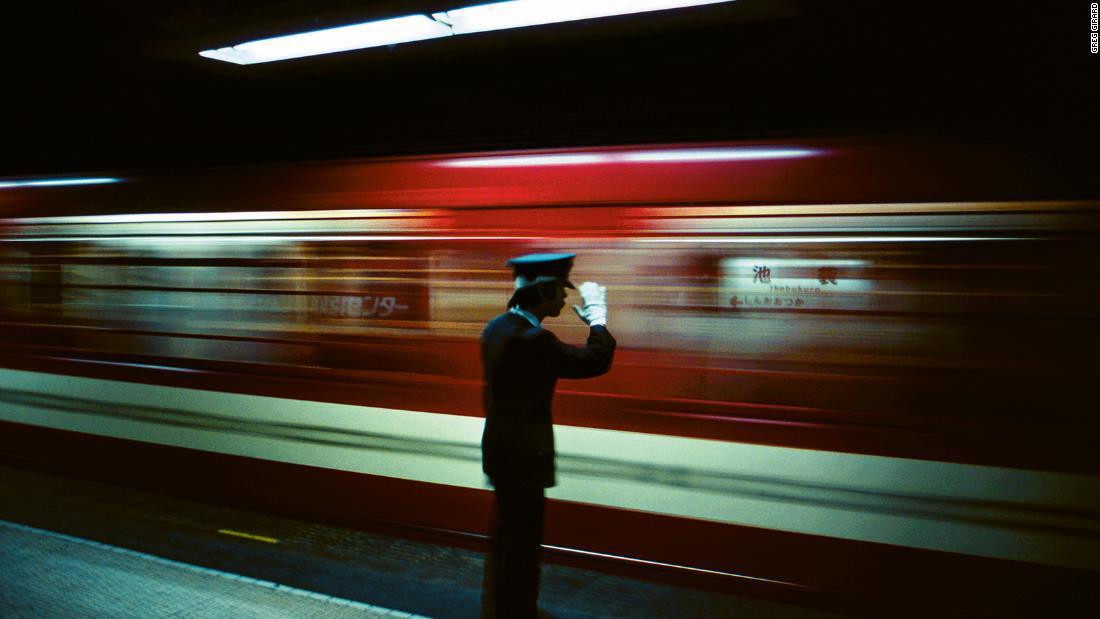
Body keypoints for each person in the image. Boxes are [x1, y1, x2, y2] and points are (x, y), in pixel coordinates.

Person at [480, 253, 616, 618]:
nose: (565, 300)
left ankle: (504, 607)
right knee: (522, 543)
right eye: (560, 292)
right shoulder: (531, 340)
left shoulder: (496, 328)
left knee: (508, 538)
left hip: (501, 451)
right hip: (524, 458)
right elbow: (593, 361)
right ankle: (517, 611)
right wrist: (598, 317)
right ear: (542, 292)